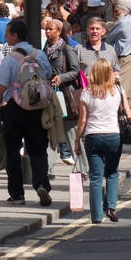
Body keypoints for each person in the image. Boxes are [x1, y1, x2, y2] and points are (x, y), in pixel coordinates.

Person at [0, 19, 53, 207]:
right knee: (38, 149)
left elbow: (1, 86)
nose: (5, 36)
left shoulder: (10, 58)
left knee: (12, 151)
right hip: (37, 106)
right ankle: (41, 184)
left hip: (14, 107)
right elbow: (48, 75)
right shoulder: (40, 55)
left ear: (15, 36)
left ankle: (17, 194)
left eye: (8, 33)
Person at [75, 58, 131, 223]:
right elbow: (129, 115)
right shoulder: (118, 90)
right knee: (112, 172)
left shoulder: (86, 93)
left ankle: (96, 216)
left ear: (93, 73)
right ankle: (111, 207)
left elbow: (82, 121)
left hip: (92, 137)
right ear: (109, 73)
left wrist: (76, 140)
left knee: (95, 177)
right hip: (113, 136)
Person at [42, 15, 81, 164]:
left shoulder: (67, 49)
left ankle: (81, 166)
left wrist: (61, 77)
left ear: (59, 32)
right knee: (50, 131)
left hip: (65, 96)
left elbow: (75, 71)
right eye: (46, 29)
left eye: (50, 29)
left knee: (70, 132)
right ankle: (49, 170)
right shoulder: (45, 49)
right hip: (49, 94)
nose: (47, 32)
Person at [105, 0, 131, 104]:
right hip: (127, 59)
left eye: (117, 12)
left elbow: (108, 38)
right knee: (125, 91)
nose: (115, 15)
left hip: (125, 60)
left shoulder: (124, 24)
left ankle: (127, 117)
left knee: (123, 91)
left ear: (124, 12)